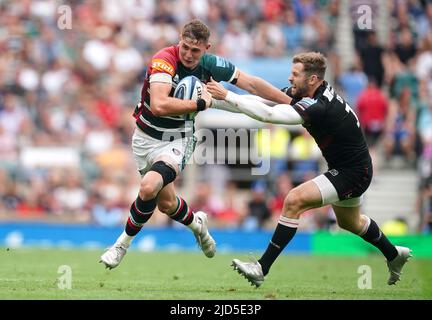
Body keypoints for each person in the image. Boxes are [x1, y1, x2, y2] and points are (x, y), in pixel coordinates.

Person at [206, 52, 412, 287]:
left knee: (294, 200)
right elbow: (260, 100)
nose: (290, 78)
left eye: (295, 74)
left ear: (312, 79)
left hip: (352, 172)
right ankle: (394, 254)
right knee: (350, 223)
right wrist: (215, 101)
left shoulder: (318, 105)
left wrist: (228, 96)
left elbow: (270, 114)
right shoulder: (310, 94)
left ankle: (261, 267)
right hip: (352, 168)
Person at [100, 19, 292, 269]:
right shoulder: (164, 59)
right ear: (179, 40)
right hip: (144, 139)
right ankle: (197, 226)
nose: (189, 54)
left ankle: (120, 245)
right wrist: (201, 104)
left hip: (176, 139)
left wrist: (289, 102)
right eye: (185, 47)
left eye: (196, 50)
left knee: (148, 187)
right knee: (166, 203)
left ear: (206, 48)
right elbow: (159, 105)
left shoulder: (211, 65)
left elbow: (252, 84)